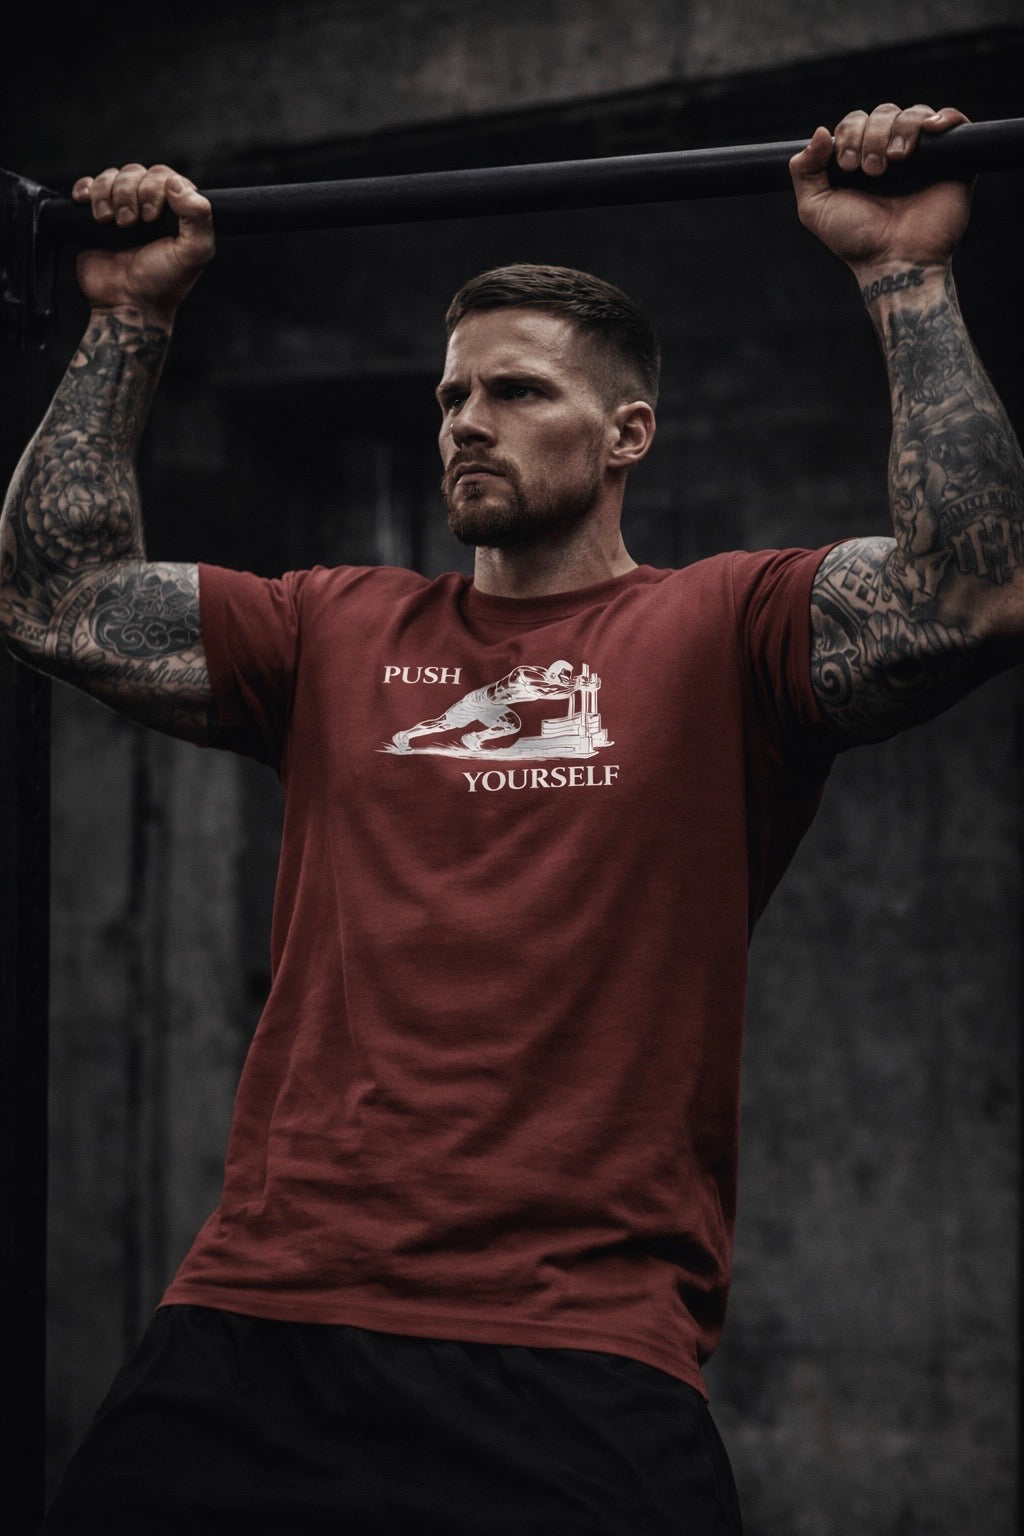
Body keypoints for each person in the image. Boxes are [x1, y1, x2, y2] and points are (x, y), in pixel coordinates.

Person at [2, 104, 1021, 1534]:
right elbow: (61, 601)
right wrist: (124, 321)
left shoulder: (729, 626)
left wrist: (905, 277)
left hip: (572, 1348)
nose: (469, 420)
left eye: (520, 393)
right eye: (451, 394)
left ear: (629, 434)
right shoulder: (332, 629)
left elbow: (968, 592)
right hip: (267, 1314)